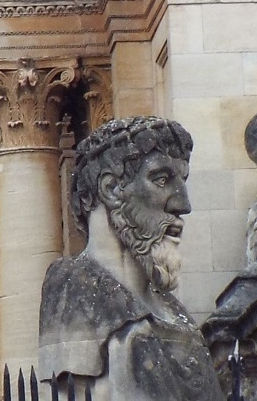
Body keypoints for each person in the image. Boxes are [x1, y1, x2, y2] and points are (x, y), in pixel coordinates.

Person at [39, 116, 221, 400]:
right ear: (111, 189)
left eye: (182, 182)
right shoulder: (73, 285)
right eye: (161, 180)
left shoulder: (176, 311)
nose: (182, 205)